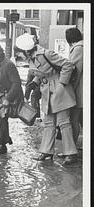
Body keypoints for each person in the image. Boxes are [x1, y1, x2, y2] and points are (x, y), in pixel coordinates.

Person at [15, 33, 78, 165]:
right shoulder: (32, 58)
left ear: (26, 50)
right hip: (47, 92)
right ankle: (46, 151)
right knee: (49, 123)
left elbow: (68, 65)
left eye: (19, 52)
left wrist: (62, 83)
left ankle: (70, 153)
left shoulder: (46, 54)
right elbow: (43, 72)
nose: (18, 55)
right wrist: (35, 82)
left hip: (60, 91)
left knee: (64, 123)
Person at [0, 42, 24, 154]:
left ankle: (2, 146)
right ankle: (5, 136)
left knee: (2, 117)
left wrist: (8, 99)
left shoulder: (9, 65)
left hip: (11, 95)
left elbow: (17, 83)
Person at [65, 27, 83, 146]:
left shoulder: (78, 49)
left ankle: (72, 148)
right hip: (82, 91)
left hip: (79, 92)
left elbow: (74, 72)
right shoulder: (83, 47)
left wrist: (68, 90)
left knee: (74, 120)